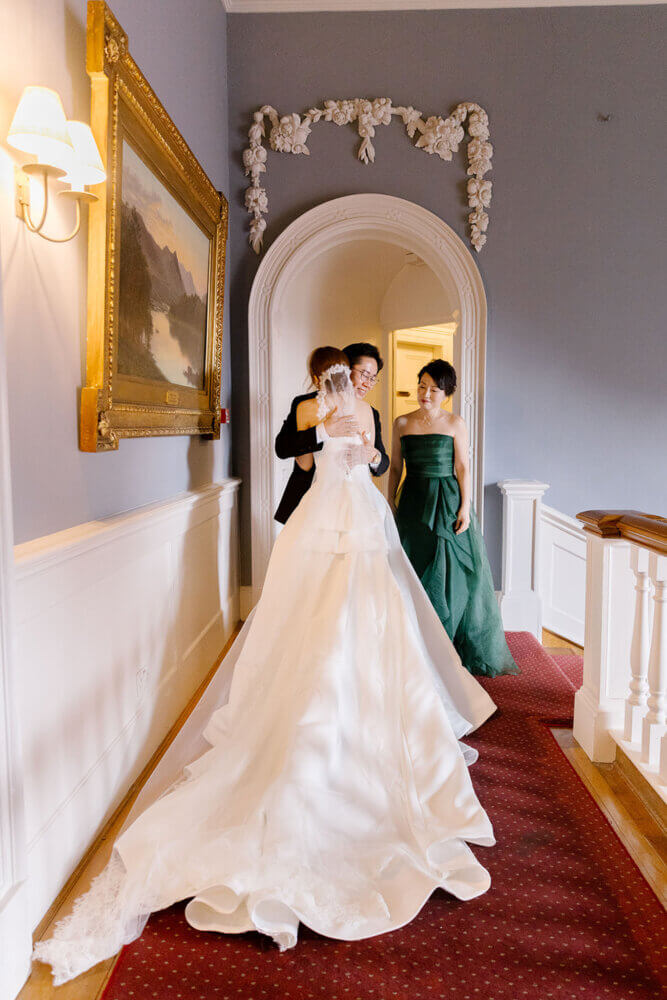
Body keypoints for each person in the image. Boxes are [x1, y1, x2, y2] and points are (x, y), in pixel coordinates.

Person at [34, 348, 496, 985]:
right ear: (328, 375)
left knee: (374, 622)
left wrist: (368, 454)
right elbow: (291, 449)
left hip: (362, 522)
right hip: (320, 522)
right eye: (350, 374)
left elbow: (381, 462)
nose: (357, 383)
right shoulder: (314, 406)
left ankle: (374, 713)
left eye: (365, 377)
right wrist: (319, 437)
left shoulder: (370, 415)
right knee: (309, 625)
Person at [388, 359, 519, 678]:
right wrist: (389, 501)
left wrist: (464, 507)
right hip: (413, 501)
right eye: (421, 386)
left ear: (446, 393)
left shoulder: (454, 423)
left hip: (447, 501)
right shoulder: (402, 422)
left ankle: (443, 643)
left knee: (446, 572)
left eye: (434, 389)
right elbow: (394, 466)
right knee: (413, 567)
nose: (425, 393)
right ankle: (413, 641)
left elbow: (462, 467)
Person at [274, 342, 389, 524]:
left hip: (356, 503)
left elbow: (383, 463)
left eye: (373, 378)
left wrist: (374, 457)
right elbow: (282, 448)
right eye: (365, 375)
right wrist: (322, 432)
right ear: (344, 368)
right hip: (309, 503)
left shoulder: (370, 412)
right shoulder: (305, 405)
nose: (368, 384)